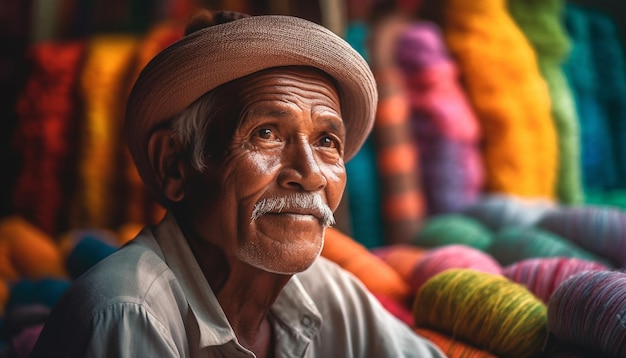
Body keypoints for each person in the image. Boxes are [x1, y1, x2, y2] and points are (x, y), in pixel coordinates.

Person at [30, 9, 446, 358]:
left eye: (326, 141)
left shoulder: (329, 292)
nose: (310, 172)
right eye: (266, 133)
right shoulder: (126, 315)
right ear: (174, 164)